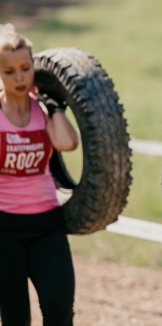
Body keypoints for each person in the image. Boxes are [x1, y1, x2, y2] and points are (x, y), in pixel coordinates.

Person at [0, 25, 79, 326]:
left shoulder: (43, 111)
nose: (19, 78)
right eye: (9, 72)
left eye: (25, 68)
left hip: (47, 222)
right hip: (4, 227)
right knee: (16, 318)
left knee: (58, 307)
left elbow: (68, 143)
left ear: (34, 66)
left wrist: (53, 107)